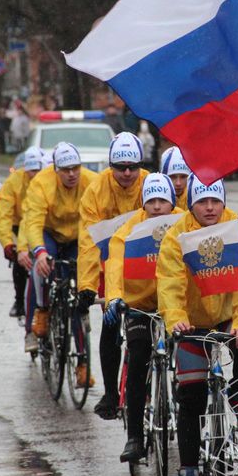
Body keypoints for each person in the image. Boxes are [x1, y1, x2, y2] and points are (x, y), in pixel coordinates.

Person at [157, 176, 238, 476]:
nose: (210, 207)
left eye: (216, 201)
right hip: (191, 320)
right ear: (191, 204)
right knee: (191, 396)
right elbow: (170, 282)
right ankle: (189, 468)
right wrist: (175, 318)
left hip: (230, 315)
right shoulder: (176, 234)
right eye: (202, 201)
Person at [104, 173, 183, 463]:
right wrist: (114, 296)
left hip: (175, 307)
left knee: (187, 364)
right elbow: (114, 263)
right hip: (140, 307)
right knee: (138, 360)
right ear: (143, 202)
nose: (157, 206)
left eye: (163, 200)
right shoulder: (129, 228)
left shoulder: (184, 223)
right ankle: (135, 437)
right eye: (151, 201)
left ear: (171, 202)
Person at [77, 131, 149, 419]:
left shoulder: (150, 184)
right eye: (120, 168)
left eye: (133, 166)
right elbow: (88, 240)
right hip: (112, 266)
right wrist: (86, 285)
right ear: (110, 166)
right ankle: (110, 393)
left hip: (148, 264)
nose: (128, 173)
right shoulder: (95, 191)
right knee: (110, 324)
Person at [22, 142, 99, 356]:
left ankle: (82, 360)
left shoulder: (92, 180)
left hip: (77, 237)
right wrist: (40, 252)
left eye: (76, 168)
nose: (72, 174)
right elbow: (34, 222)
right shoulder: (41, 183)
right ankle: (42, 309)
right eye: (66, 170)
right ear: (56, 170)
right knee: (42, 266)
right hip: (50, 233)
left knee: (77, 290)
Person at [0, 146, 44, 318]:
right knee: (20, 259)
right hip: (19, 224)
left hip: (43, 223)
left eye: (38, 170)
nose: (35, 175)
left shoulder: (49, 179)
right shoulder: (13, 182)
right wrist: (8, 243)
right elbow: (4, 214)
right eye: (31, 171)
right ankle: (19, 300)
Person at [160, 146, 191, 210]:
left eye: (183, 177)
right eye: (173, 177)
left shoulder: (197, 200)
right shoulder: (154, 202)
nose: (178, 183)